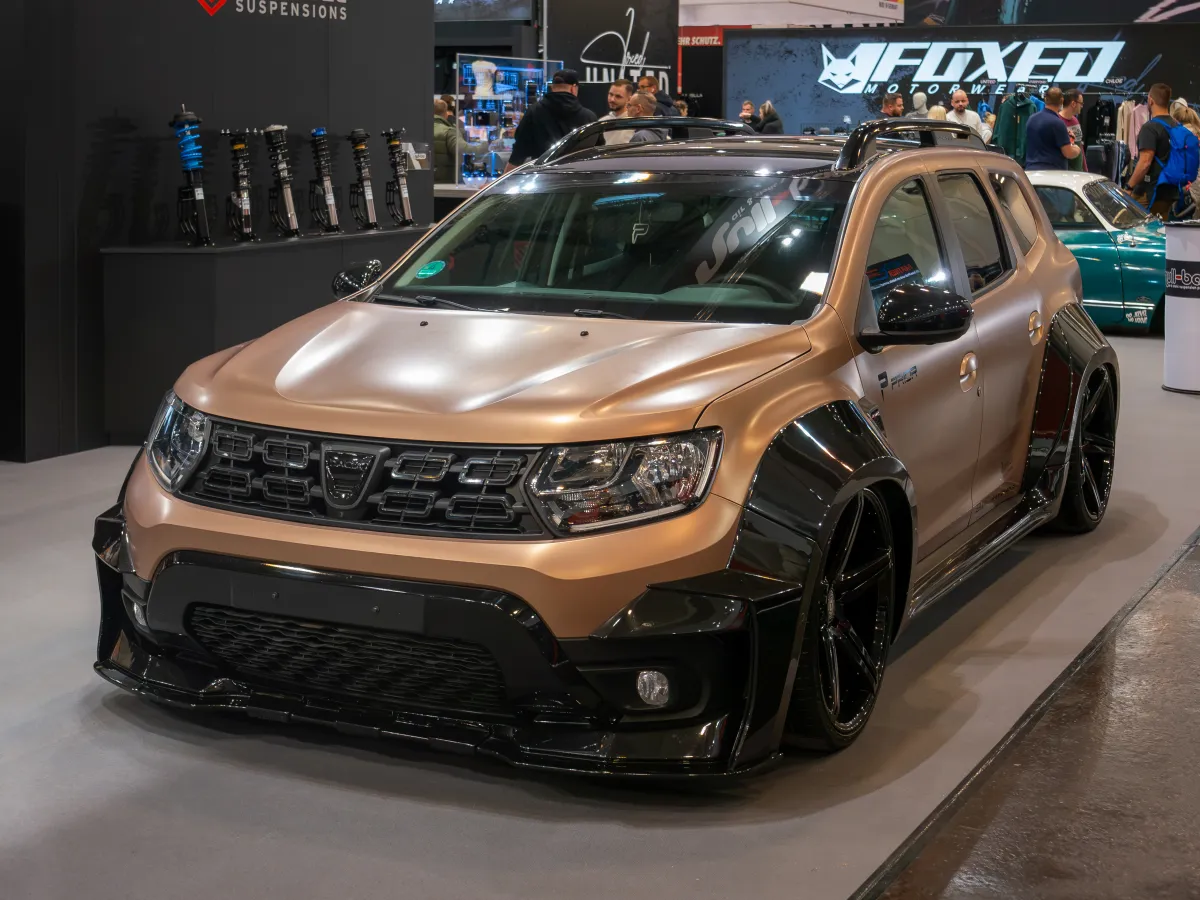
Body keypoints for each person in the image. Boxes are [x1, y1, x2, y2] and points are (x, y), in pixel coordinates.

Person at [505, 68, 596, 171]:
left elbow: (518, 153)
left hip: (544, 176)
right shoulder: (589, 117)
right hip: (578, 177)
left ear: (552, 87)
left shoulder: (534, 112)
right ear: (573, 88)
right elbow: (597, 153)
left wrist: (503, 179)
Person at [1125, 83, 1179, 218]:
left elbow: (1145, 162)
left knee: (1127, 220)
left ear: (1150, 100)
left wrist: (1129, 187)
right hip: (1170, 190)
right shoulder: (1176, 125)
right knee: (1160, 226)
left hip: (1150, 191)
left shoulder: (1150, 128)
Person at [1024, 87, 1080, 171]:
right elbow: (1068, 153)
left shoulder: (1031, 119)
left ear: (1045, 99)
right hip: (1052, 173)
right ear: (1061, 100)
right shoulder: (1058, 123)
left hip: (1031, 171)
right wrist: (1076, 148)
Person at [598, 78, 636, 145]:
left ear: (629, 99)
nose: (612, 99)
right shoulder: (601, 123)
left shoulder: (635, 125)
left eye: (618, 96)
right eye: (610, 94)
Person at [432, 99, 460, 184]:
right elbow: (461, 152)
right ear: (445, 113)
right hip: (446, 180)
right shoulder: (450, 131)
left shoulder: (420, 129)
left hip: (424, 180)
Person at [1059, 89, 1087, 172]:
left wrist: (1085, 169)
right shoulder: (1058, 122)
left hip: (1078, 172)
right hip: (1065, 173)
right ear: (1073, 104)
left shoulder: (1075, 120)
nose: (1082, 106)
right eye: (1081, 103)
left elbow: (1080, 146)